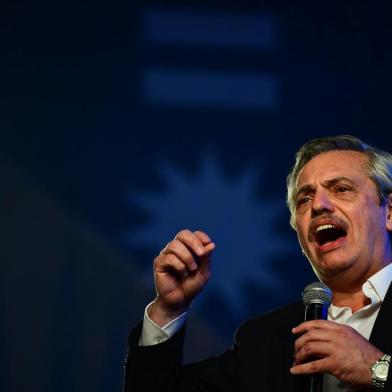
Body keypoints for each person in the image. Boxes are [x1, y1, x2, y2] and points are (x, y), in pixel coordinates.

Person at [123, 135, 392, 391]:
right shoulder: (265, 339)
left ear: (389, 212)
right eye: (304, 199)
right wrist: (169, 309)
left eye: (341, 189)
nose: (319, 205)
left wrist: (378, 370)